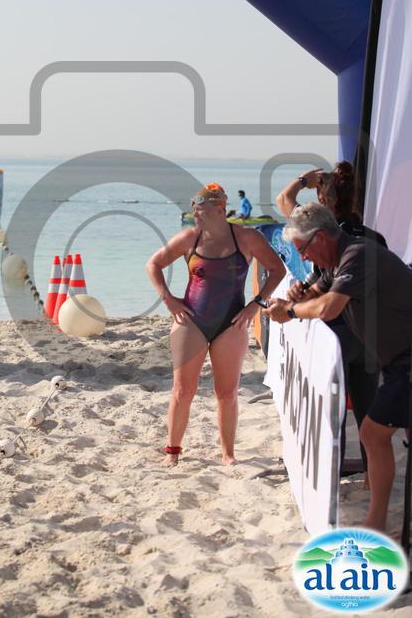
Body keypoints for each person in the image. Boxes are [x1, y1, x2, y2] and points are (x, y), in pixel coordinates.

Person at [265, 203, 412, 531]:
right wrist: (292, 299)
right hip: (396, 359)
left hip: (406, 358)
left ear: (320, 238)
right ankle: (381, 520)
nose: (302, 257)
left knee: (372, 433)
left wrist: (290, 313)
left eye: (302, 249)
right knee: (381, 433)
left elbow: (328, 308)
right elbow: (312, 298)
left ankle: (376, 522)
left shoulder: (357, 255)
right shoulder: (335, 263)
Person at [146, 183, 285, 466]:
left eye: (202, 210)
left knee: (227, 392)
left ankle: (228, 454)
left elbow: (277, 270)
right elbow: (153, 264)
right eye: (194, 210)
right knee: (183, 390)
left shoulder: (246, 238)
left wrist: (256, 305)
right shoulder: (190, 238)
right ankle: (172, 452)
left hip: (231, 324)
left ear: (221, 210)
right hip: (191, 322)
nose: (196, 215)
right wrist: (169, 300)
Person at [276, 162, 386, 477]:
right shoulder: (373, 237)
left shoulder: (319, 230)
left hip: (336, 333)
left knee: (332, 412)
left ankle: (329, 480)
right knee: (367, 412)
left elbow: (284, 199)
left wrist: (303, 180)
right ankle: (370, 479)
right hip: (370, 334)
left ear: (322, 201)